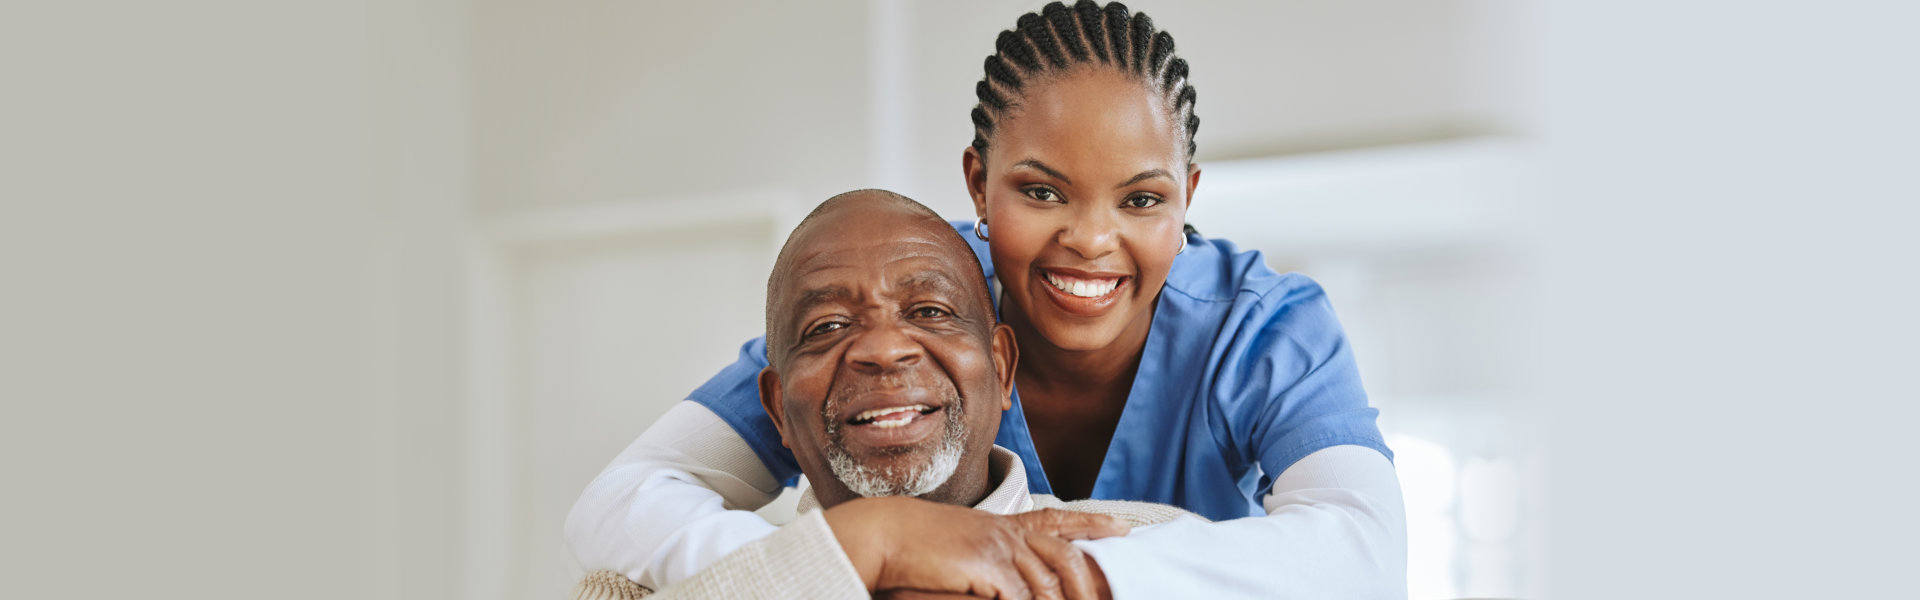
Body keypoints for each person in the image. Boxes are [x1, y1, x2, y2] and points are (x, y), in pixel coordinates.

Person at [568, 2, 1407, 597]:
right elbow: (620, 503)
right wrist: (869, 547)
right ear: (978, 180)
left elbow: (1364, 555)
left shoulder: (1261, 328)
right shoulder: (907, 315)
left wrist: (1017, 571)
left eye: (1142, 201)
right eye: (1043, 193)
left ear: (1187, 195)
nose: (1090, 239)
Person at [574, 190, 1200, 600]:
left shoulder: (1147, 550)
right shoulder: (634, 588)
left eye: (930, 310)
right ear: (774, 409)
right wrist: (860, 549)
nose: (883, 349)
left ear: (1003, 368)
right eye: (827, 327)